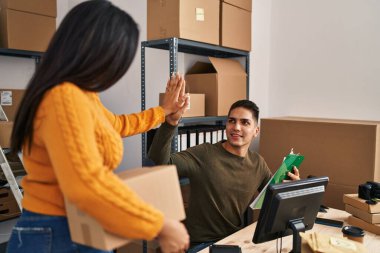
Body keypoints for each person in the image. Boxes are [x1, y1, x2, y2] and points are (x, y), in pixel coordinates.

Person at [7, 1, 189, 253]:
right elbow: (86, 184)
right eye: (116, 60)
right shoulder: (64, 98)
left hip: (78, 226)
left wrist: (164, 113)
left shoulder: (82, 96)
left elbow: (115, 125)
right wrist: (160, 225)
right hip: (55, 234)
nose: (115, 70)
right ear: (94, 51)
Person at [148, 99, 300, 252]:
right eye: (232, 121)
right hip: (201, 244)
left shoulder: (258, 163)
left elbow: (273, 199)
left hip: (236, 239)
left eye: (245, 122)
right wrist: (170, 123)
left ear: (256, 130)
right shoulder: (205, 153)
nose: (236, 127)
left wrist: (292, 187)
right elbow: (161, 161)